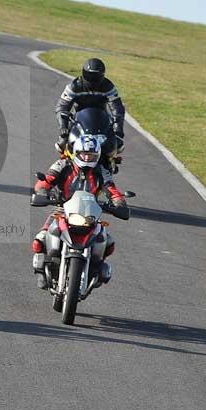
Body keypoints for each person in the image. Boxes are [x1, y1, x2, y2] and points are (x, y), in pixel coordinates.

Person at [31, 135, 130, 289]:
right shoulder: (63, 164)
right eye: (84, 154)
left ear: (97, 156)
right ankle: (41, 271)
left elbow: (112, 189)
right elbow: (46, 181)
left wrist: (119, 203)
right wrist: (43, 192)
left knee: (108, 242)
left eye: (91, 155)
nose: (87, 158)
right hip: (62, 208)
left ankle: (97, 269)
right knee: (40, 238)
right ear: (76, 153)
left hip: (91, 212)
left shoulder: (101, 171)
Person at [54, 58, 126, 154]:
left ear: (102, 75)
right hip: (78, 121)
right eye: (89, 76)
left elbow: (117, 108)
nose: (92, 79)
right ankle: (60, 166)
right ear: (83, 73)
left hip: (101, 122)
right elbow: (62, 106)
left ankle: (110, 163)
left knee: (116, 146)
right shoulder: (74, 86)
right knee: (62, 145)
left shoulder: (108, 86)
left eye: (95, 76)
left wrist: (118, 129)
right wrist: (63, 127)